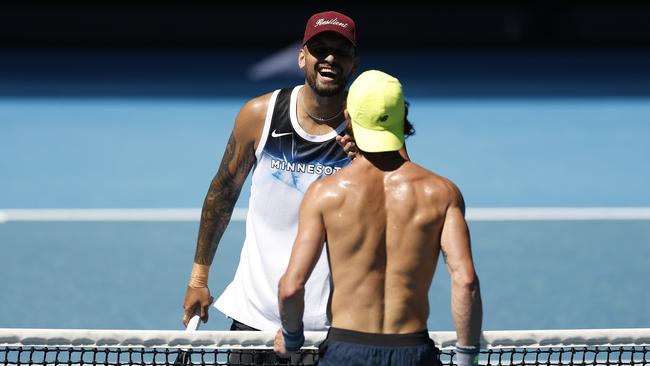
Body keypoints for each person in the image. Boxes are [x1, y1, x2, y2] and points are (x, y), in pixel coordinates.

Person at [181, 9, 360, 365]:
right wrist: (199, 278)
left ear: (353, 62)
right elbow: (222, 195)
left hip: (330, 329)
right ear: (301, 57)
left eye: (339, 51)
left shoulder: (368, 132)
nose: (329, 58)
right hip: (254, 323)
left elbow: (396, 208)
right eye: (319, 48)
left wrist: (368, 161)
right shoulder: (260, 115)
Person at [274, 70, 483, 366]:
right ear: (403, 115)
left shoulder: (325, 194)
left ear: (347, 114)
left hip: (345, 350)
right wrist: (466, 358)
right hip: (413, 352)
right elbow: (466, 282)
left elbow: (291, 287)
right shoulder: (442, 193)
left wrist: (292, 339)